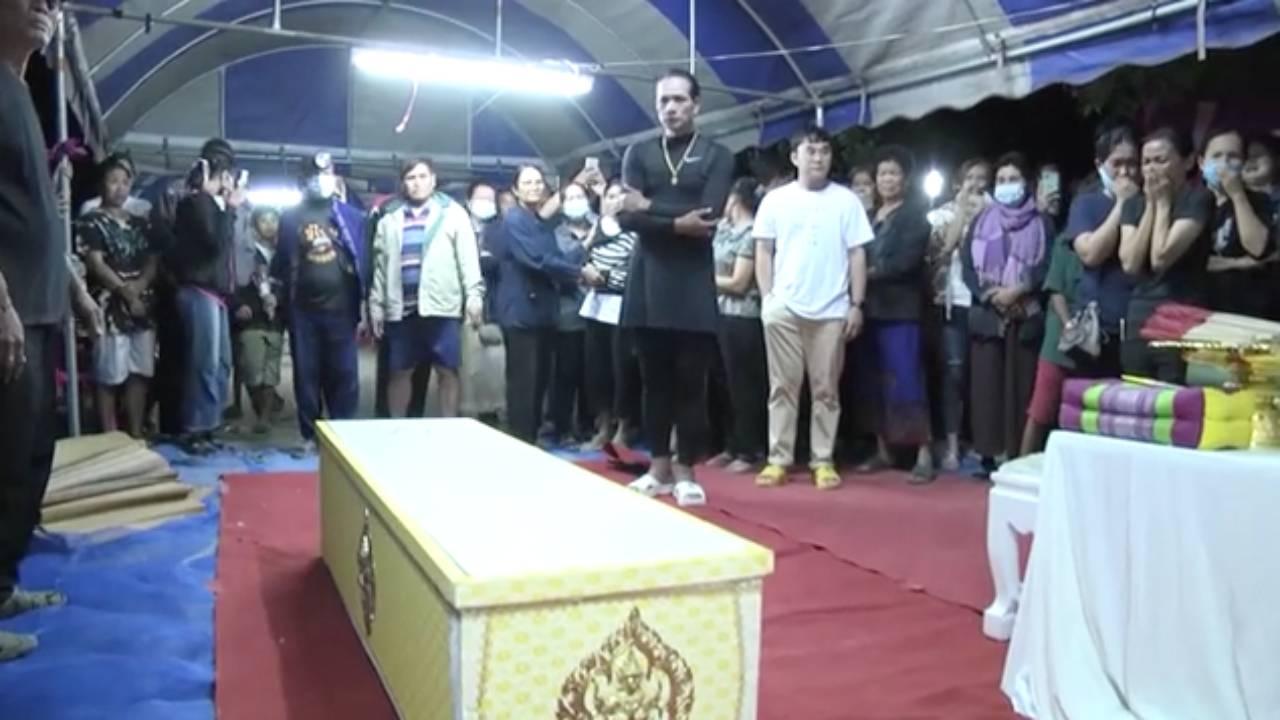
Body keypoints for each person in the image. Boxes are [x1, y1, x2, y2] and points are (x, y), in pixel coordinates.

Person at [0, 0, 104, 661]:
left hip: (39, 309)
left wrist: (79, 294)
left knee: (29, 459)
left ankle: (2, 586)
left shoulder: (22, 94)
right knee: (3, 461)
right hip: (10, 310)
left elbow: (38, 218)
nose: (45, 7)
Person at [615, 69, 735, 507]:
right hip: (647, 281)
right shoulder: (639, 152)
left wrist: (649, 205)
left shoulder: (718, 155)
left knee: (690, 383)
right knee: (653, 383)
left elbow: (707, 216)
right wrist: (675, 222)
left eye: (679, 100)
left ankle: (686, 470)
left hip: (692, 284)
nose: (670, 108)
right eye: (663, 100)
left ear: (696, 104)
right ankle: (658, 468)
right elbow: (624, 218)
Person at [754, 126, 872, 490]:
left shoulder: (846, 201)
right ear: (795, 157)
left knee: (826, 390)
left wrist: (856, 303)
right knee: (782, 387)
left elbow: (857, 254)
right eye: (810, 151)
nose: (818, 158)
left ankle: (822, 459)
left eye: (824, 151)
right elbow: (763, 250)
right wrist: (768, 299)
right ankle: (778, 459)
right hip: (784, 307)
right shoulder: (775, 200)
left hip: (832, 309)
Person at [369, 158, 484, 418]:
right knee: (399, 371)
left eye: (422, 176)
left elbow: (468, 259)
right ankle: (397, 427)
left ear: (433, 180)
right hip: (402, 309)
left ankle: (448, 425)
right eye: (411, 178)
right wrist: (376, 305)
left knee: (447, 369)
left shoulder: (453, 214)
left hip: (442, 307)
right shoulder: (390, 218)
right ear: (403, 183)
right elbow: (380, 267)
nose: (417, 183)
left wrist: (474, 295)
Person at [494, 165, 599, 444]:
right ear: (515, 190)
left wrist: (584, 248)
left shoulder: (539, 222)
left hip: (542, 313)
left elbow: (556, 258)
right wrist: (580, 272)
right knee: (524, 386)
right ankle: (520, 442)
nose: (534, 187)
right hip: (521, 313)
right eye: (527, 183)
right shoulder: (515, 220)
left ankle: (530, 439)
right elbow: (538, 260)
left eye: (538, 182)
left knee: (539, 383)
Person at [962, 152, 1053, 470]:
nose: (1006, 185)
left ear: (1027, 183)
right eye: (1000, 180)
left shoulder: (1042, 222)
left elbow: (1047, 265)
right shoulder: (981, 221)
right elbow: (967, 268)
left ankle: (1018, 455)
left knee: (1021, 387)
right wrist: (990, 294)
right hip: (989, 316)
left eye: (1013, 179)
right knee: (986, 387)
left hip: (1024, 314)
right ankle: (988, 454)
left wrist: (1020, 289)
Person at [273, 153, 367, 448]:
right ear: (302, 181)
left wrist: (366, 304)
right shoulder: (290, 218)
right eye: (315, 175)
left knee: (344, 374)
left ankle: (342, 436)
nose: (321, 180)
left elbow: (364, 260)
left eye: (326, 173)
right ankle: (310, 435)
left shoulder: (350, 216)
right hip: (303, 311)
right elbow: (282, 264)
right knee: (307, 375)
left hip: (342, 308)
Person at [853, 145, 934, 482]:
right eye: (882, 173)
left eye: (893, 173)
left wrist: (863, 274)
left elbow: (906, 262)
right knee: (874, 382)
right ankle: (883, 449)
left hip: (902, 310)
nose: (887, 179)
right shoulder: (867, 216)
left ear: (905, 179)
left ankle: (924, 454)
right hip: (869, 309)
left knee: (908, 380)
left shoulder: (916, 217)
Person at [1118, 128, 1213, 383]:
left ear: (1188, 162)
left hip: (1182, 313)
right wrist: (1150, 206)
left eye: (1161, 161)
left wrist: (1162, 205)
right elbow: (1130, 263)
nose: (1152, 170)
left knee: (1173, 395)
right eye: (1146, 162)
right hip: (1140, 314)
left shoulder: (1197, 199)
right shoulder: (1134, 204)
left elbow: (1161, 257)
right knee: (1136, 393)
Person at [76, 153, 158, 438]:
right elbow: (95, 263)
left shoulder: (140, 223)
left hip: (142, 304)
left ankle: (135, 433)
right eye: (113, 181)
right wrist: (125, 291)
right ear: (101, 184)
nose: (120, 188)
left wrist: (140, 286)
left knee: (139, 371)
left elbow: (152, 259)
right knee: (109, 374)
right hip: (109, 305)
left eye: (125, 182)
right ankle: (110, 436)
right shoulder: (90, 221)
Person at [169, 138, 242, 452]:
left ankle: (210, 425)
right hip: (198, 290)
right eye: (224, 171)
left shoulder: (214, 205)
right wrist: (230, 208)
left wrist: (227, 208)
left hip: (216, 293)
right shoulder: (196, 203)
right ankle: (195, 429)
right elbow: (214, 242)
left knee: (221, 363)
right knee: (204, 364)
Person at [925, 158, 990, 471]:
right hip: (951, 303)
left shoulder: (996, 214)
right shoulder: (940, 215)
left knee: (982, 376)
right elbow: (939, 254)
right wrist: (962, 214)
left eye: (982, 178)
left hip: (984, 303)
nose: (976, 184)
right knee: (954, 374)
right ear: (957, 184)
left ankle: (982, 443)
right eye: (970, 178)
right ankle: (951, 445)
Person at [709, 178, 767, 473]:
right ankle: (729, 444)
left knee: (744, 385)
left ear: (735, 199)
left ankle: (749, 449)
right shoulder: (723, 229)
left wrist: (705, 280)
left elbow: (739, 282)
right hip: (718, 313)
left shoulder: (752, 232)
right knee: (723, 384)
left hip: (743, 316)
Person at [581, 181, 641, 451]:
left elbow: (632, 269)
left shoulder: (636, 230)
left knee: (623, 371)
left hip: (623, 307)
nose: (615, 201)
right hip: (596, 306)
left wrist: (606, 276)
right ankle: (603, 426)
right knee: (597, 369)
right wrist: (587, 271)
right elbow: (581, 258)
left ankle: (624, 428)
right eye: (610, 196)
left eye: (620, 196)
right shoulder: (595, 228)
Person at [1199, 128, 1276, 319]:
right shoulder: (1193, 201)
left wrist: (1237, 195)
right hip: (1202, 308)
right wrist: (1239, 263)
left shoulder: (1259, 201)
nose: (1224, 163)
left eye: (1233, 156)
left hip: (1248, 309)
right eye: (1217, 156)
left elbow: (1258, 248)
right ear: (1201, 162)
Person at [231, 207, 285, 434]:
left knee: (271, 373)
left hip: (276, 321)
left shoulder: (282, 255)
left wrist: (278, 300)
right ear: (254, 226)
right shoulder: (245, 253)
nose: (270, 225)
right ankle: (263, 407)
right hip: (252, 318)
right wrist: (237, 305)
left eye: (274, 220)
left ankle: (264, 417)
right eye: (264, 220)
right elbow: (233, 281)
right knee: (252, 372)